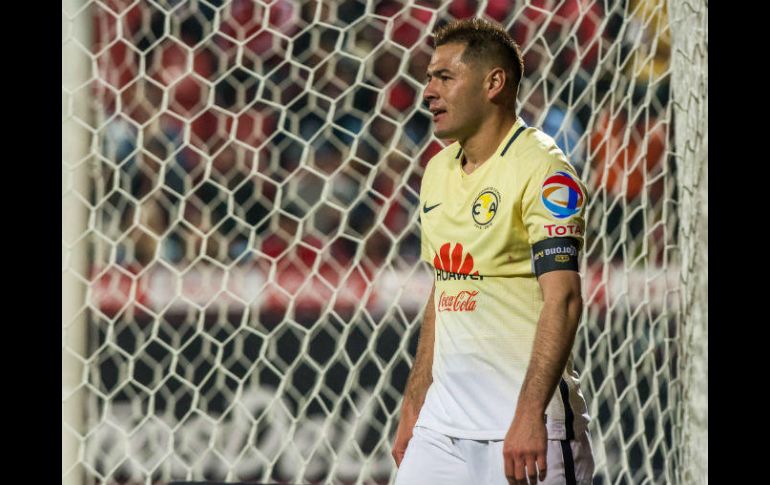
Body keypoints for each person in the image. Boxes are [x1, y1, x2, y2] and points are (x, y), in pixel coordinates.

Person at [391, 18, 594, 485]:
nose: (428, 92)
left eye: (444, 77)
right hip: (441, 428)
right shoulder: (437, 170)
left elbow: (563, 298)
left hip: (523, 429)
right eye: (429, 78)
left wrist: (529, 413)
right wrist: (416, 400)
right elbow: (445, 288)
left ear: (493, 83)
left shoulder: (544, 170)